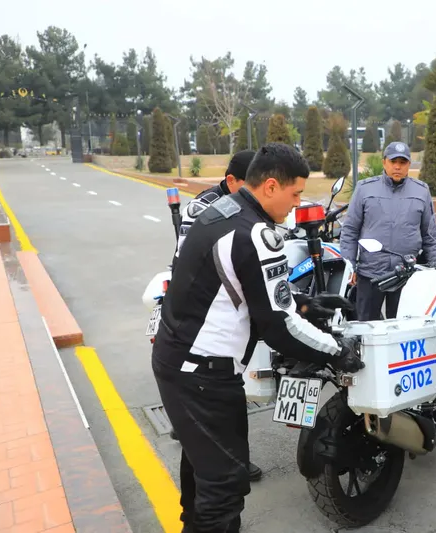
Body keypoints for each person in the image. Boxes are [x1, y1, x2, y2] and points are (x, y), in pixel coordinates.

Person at [151, 143, 364, 533]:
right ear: (270, 186)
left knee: (201, 468)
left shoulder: (221, 211)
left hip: (178, 361)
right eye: (295, 193)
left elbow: (244, 286)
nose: (297, 204)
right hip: (204, 376)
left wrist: (303, 304)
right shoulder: (257, 233)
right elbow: (278, 327)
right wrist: (337, 351)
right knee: (224, 487)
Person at [166, 149, 265, 483]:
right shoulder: (204, 207)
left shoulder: (246, 208)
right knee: (215, 393)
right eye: (249, 184)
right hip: (202, 308)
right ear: (232, 181)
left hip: (218, 308)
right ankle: (228, 466)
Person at [340, 141, 436, 321]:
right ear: (384, 162)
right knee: (366, 328)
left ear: (409, 165)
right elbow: (350, 231)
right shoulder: (365, 189)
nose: (397, 167)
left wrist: (435, 268)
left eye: (403, 162)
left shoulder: (421, 191)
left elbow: (430, 236)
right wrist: (349, 265)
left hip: (407, 276)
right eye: (393, 162)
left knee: (405, 328)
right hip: (371, 274)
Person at [174, 150, 257, 261]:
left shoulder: (258, 203)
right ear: (231, 181)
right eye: (253, 184)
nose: (259, 190)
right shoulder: (202, 208)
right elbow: (185, 258)